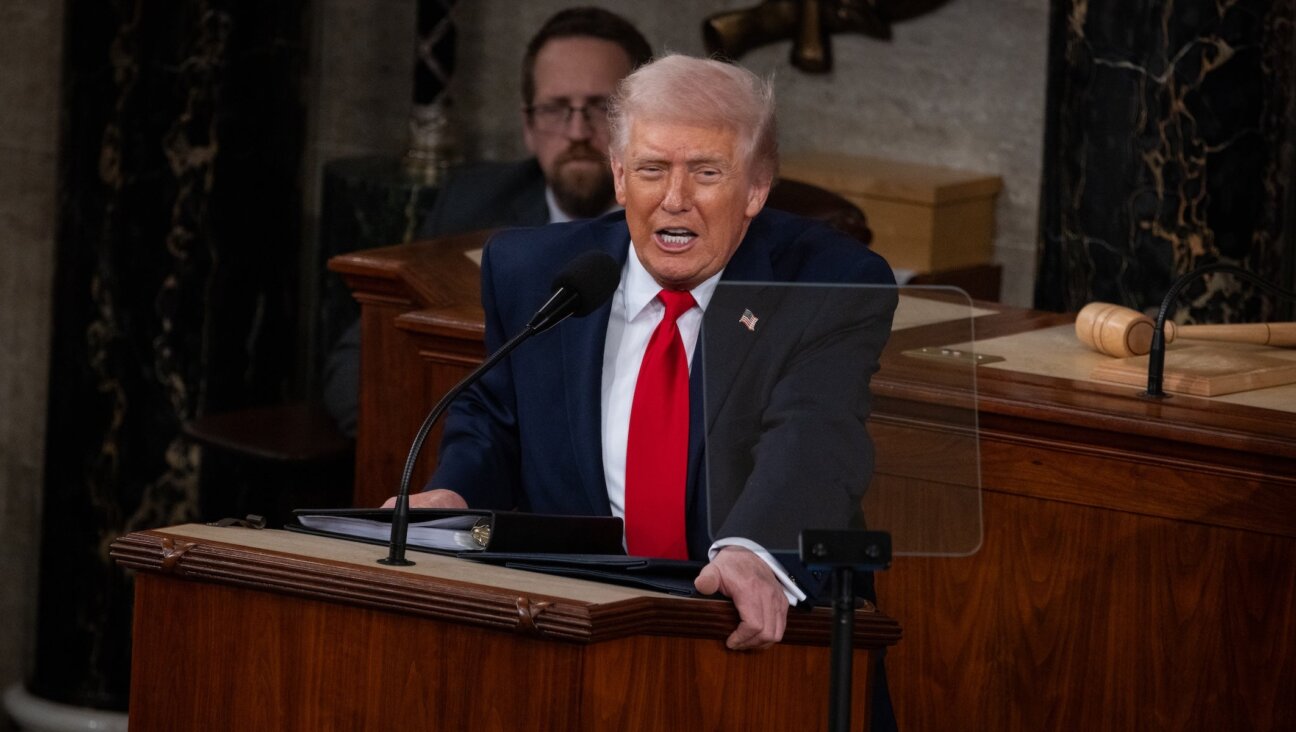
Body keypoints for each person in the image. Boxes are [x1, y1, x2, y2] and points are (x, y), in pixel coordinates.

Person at [392, 53, 898, 664]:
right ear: (619, 176)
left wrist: (756, 552)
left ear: (757, 187)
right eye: (652, 169)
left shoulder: (828, 283)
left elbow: (815, 433)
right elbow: (496, 418)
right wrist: (455, 494)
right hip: (581, 632)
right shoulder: (535, 273)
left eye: (707, 173)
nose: (675, 199)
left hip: (756, 633)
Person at [322, 7, 654, 435]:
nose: (576, 132)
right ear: (528, 126)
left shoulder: (679, 224)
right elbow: (359, 360)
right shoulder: (473, 206)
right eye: (555, 109)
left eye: (600, 109)